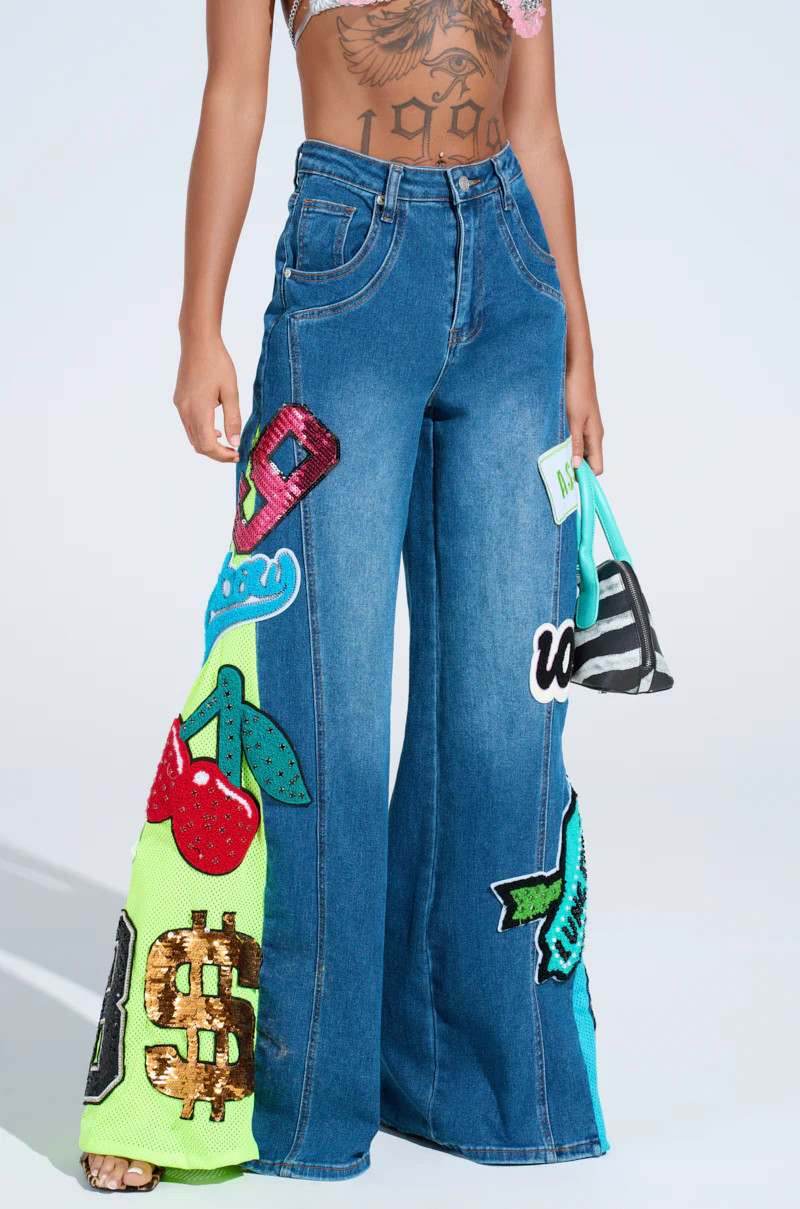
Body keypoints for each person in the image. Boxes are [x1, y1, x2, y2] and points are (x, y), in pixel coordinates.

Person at [79, 0, 608, 1191]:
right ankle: (278, 1097)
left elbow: (536, 124)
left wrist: (578, 345)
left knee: (504, 709)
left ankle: (464, 1079)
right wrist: (196, 328)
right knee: (313, 708)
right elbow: (234, 94)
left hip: (513, 280)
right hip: (349, 265)